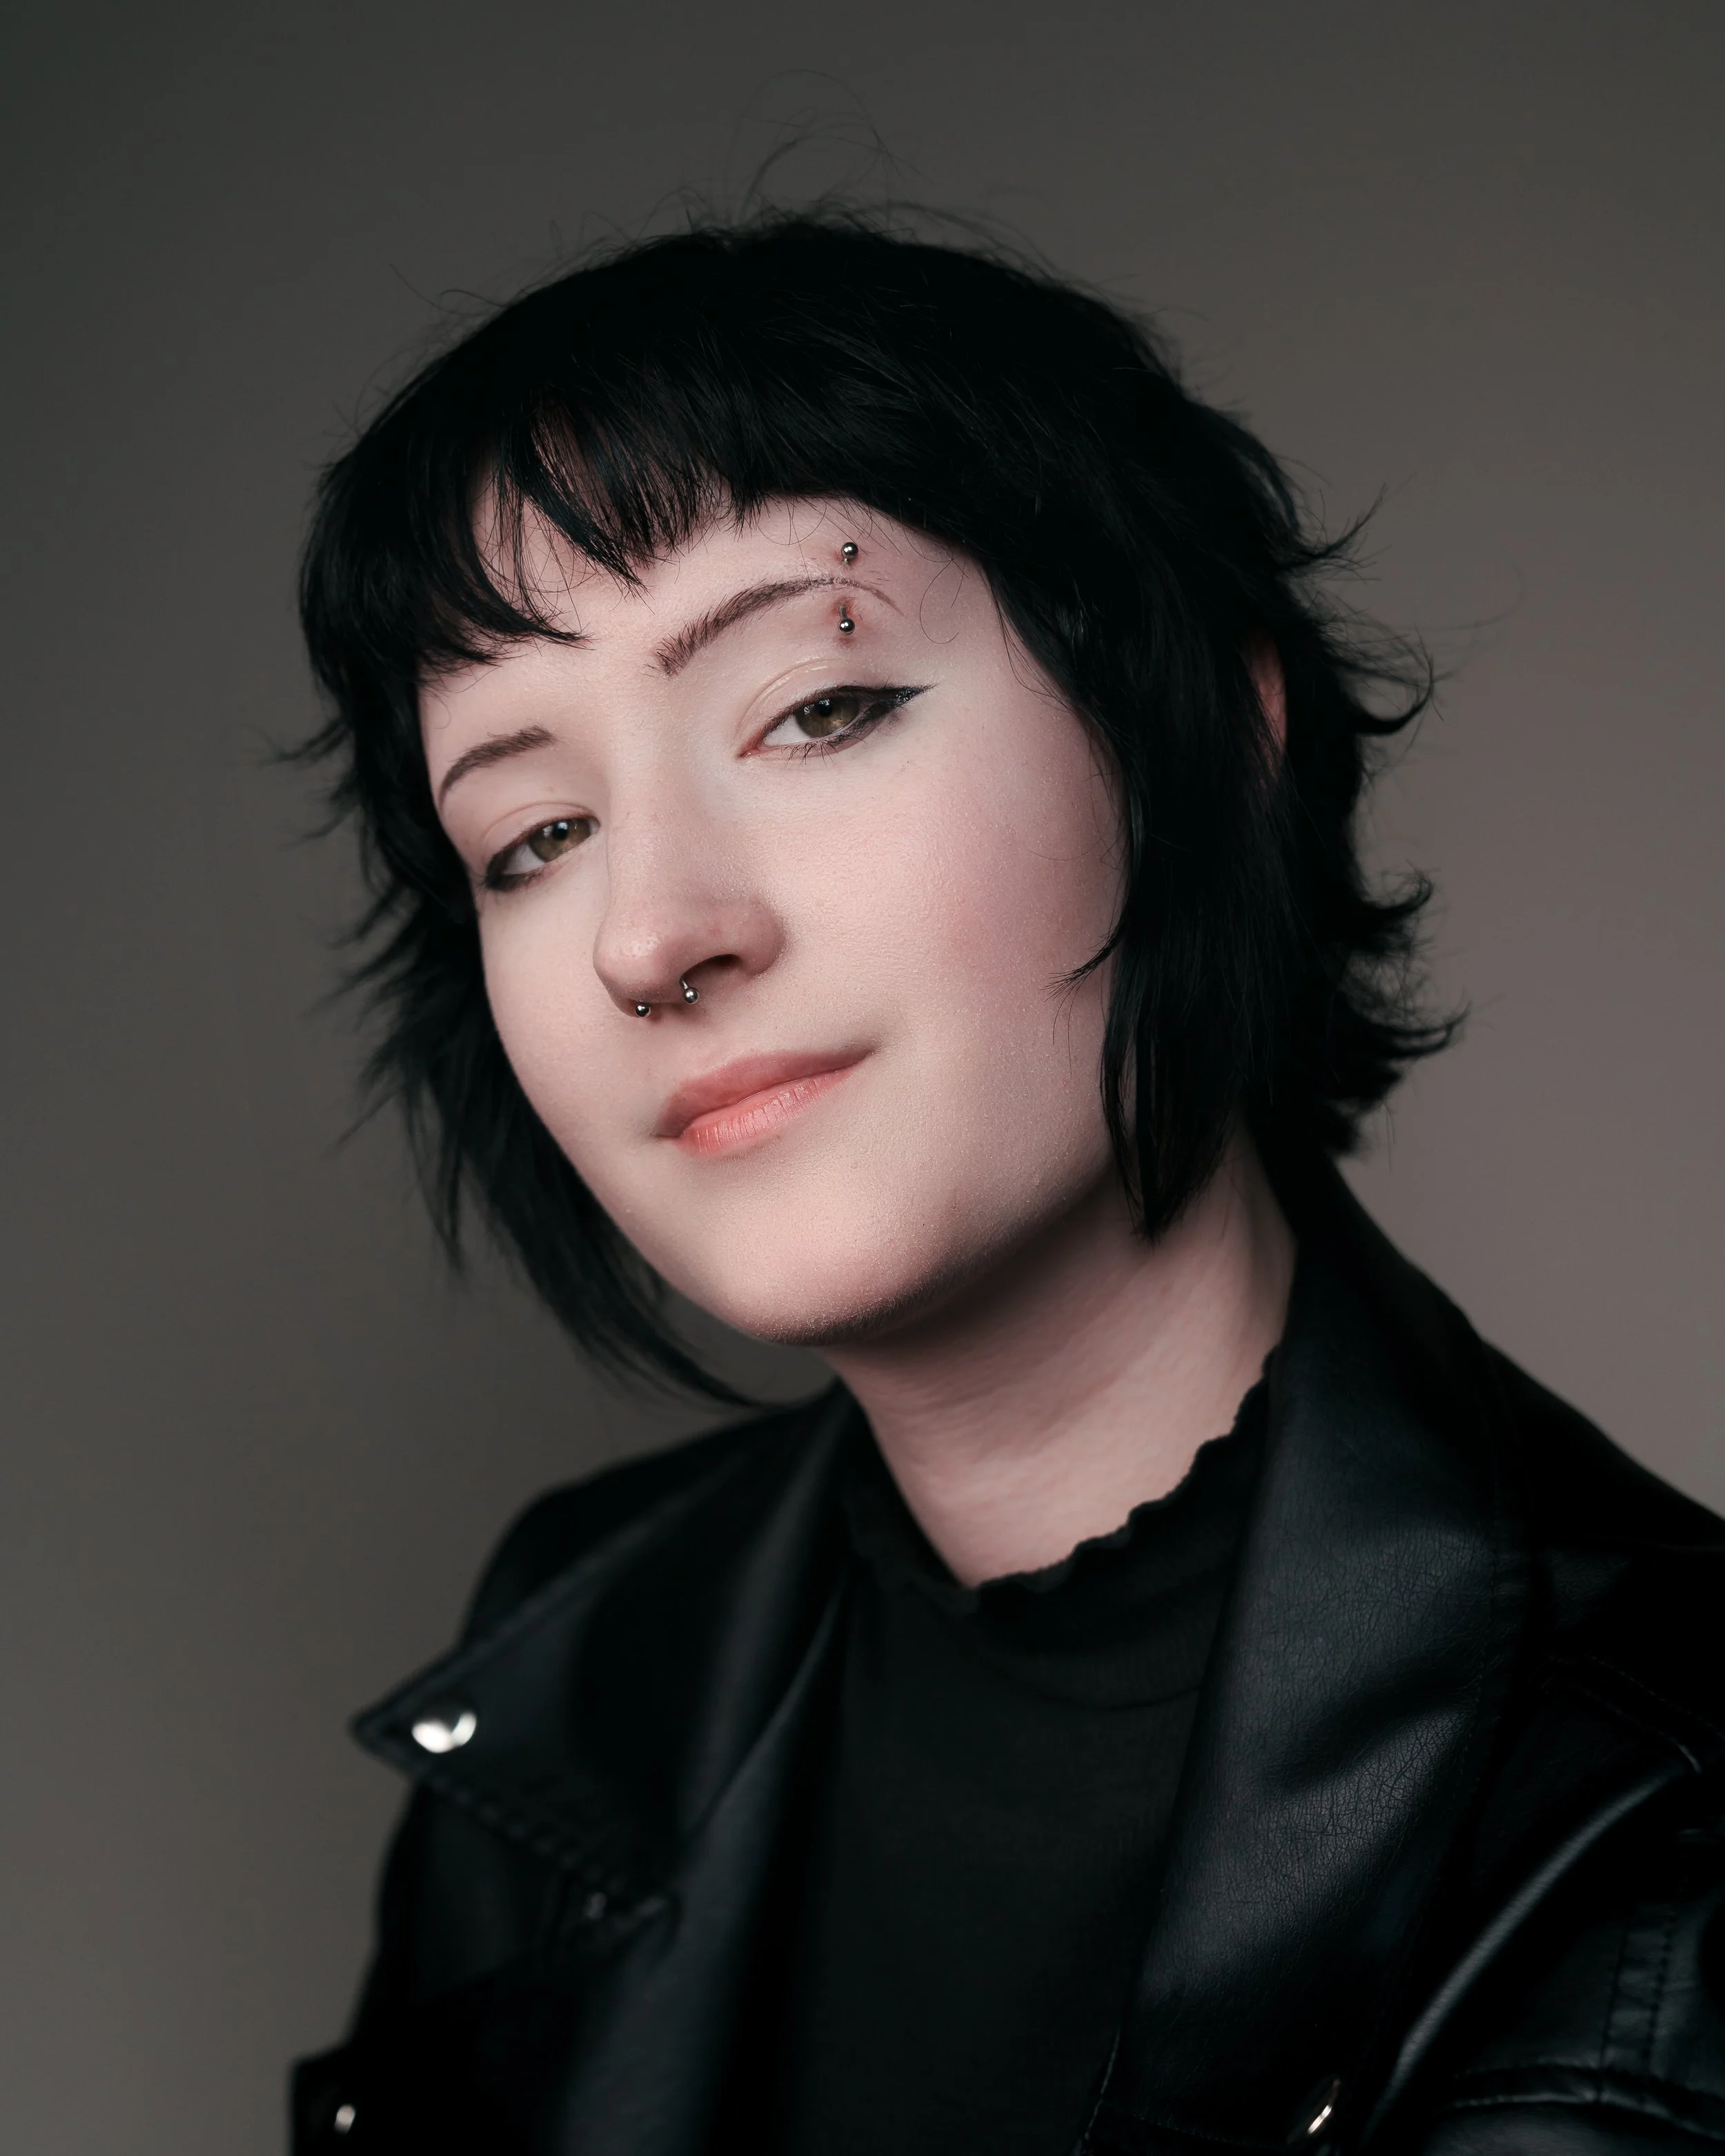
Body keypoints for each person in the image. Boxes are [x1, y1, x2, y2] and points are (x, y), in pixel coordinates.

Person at [288, 215, 1725, 2156]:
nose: (652, 934)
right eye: (533, 834)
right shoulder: (586, 1662)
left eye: (817, 709)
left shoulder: (1656, 1785)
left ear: (1206, 731)